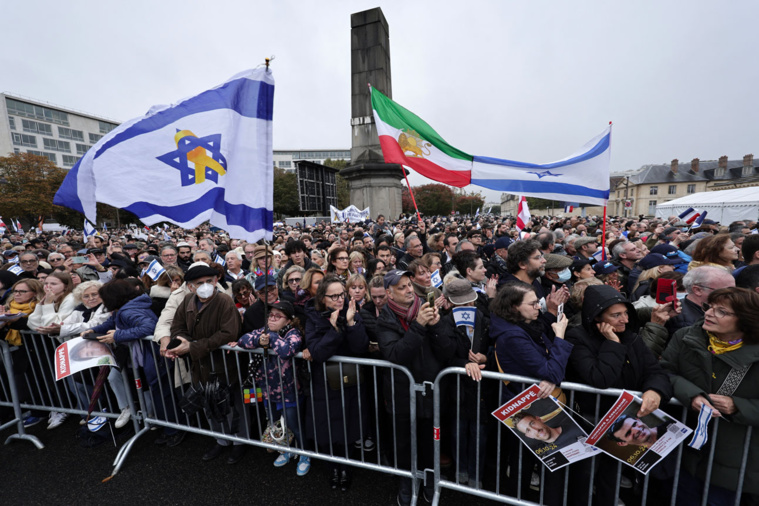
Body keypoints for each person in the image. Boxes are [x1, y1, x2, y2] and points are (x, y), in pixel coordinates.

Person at [566, 284, 673, 506]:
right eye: (616, 315)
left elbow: (654, 371)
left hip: (623, 420)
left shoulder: (631, 337)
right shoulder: (577, 337)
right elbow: (599, 378)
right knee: (584, 477)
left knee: (611, 474)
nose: (624, 319)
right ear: (597, 317)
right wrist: (612, 344)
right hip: (590, 420)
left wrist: (654, 390)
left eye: (625, 313)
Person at [662, 287, 759, 505]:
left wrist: (738, 406)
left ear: (745, 320)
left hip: (735, 458)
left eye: (721, 311)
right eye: (709, 307)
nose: (709, 313)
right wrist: (692, 396)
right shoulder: (686, 337)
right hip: (684, 453)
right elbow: (664, 372)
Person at [375, 269, 455, 505]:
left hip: (431, 392)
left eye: (409, 285)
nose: (409, 289)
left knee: (431, 443)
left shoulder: (428, 307)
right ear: (389, 293)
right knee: (403, 444)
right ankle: (408, 482)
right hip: (401, 395)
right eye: (402, 287)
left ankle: (431, 481)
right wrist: (419, 325)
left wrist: (437, 324)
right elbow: (396, 354)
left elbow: (448, 351)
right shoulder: (385, 319)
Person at [86, 279, 186, 446]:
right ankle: (169, 428)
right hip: (148, 359)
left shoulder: (129, 310)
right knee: (159, 394)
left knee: (163, 395)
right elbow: (113, 322)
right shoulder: (124, 309)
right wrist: (95, 330)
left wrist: (116, 336)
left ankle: (174, 430)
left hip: (154, 358)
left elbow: (148, 327)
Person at [165, 263, 244, 463]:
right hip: (200, 366)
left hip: (225, 366)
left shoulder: (224, 301)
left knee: (232, 407)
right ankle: (221, 441)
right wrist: (181, 341)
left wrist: (192, 347)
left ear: (216, 281)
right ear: (190, 286)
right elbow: (177, 327)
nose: (205, 286)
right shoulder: (187, 302)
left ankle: (239, 443)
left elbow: (228, 333)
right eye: (199, 283)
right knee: (210, 405)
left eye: (209, 281)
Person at [303, 275, 369, 492]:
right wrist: (334, 330)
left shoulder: (353, 310)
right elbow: (318, 352)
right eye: (334, 296)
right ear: (323, 298)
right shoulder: (313, 316)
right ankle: (333, 469)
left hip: (349, 383)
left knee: (348, 430)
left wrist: (350, 323)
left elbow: (361, 347)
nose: (340, 299)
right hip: (324, 384)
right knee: (327, 431)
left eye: (342, 294)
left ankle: (346, 469)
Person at [232, 301, 310, 476]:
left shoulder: (293, 333)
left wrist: (272, 338)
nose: (272, 319)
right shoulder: (263, 331)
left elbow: (287, 350)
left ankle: (305, 455)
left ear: (288, 321)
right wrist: (259, 340)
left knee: (294, 425)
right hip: (267, 389)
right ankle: (286, 450)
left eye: (278, 316)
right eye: (271, 315)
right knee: (275, 423)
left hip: (289, 391)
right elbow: (243, 340)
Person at [59, 280, 131, 429]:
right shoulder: (79, 309)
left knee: (110, 380)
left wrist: (76, 329)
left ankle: (116, 411)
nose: (91, 298)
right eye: (86, 296)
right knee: (78, 380)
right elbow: (63, 325)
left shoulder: (107, 307)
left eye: (94, 294)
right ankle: (95, 413)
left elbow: (94, 324)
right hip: (87, 355)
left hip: (108, 352)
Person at [28, 271, 77, 335]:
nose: (48, 287)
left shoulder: (71, 299)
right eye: (46, 283)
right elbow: (33, 325)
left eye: (53, 284)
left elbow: (52, 326)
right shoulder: (50, 299)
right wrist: (40, 305)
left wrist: (48, 304)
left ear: (65, 286)